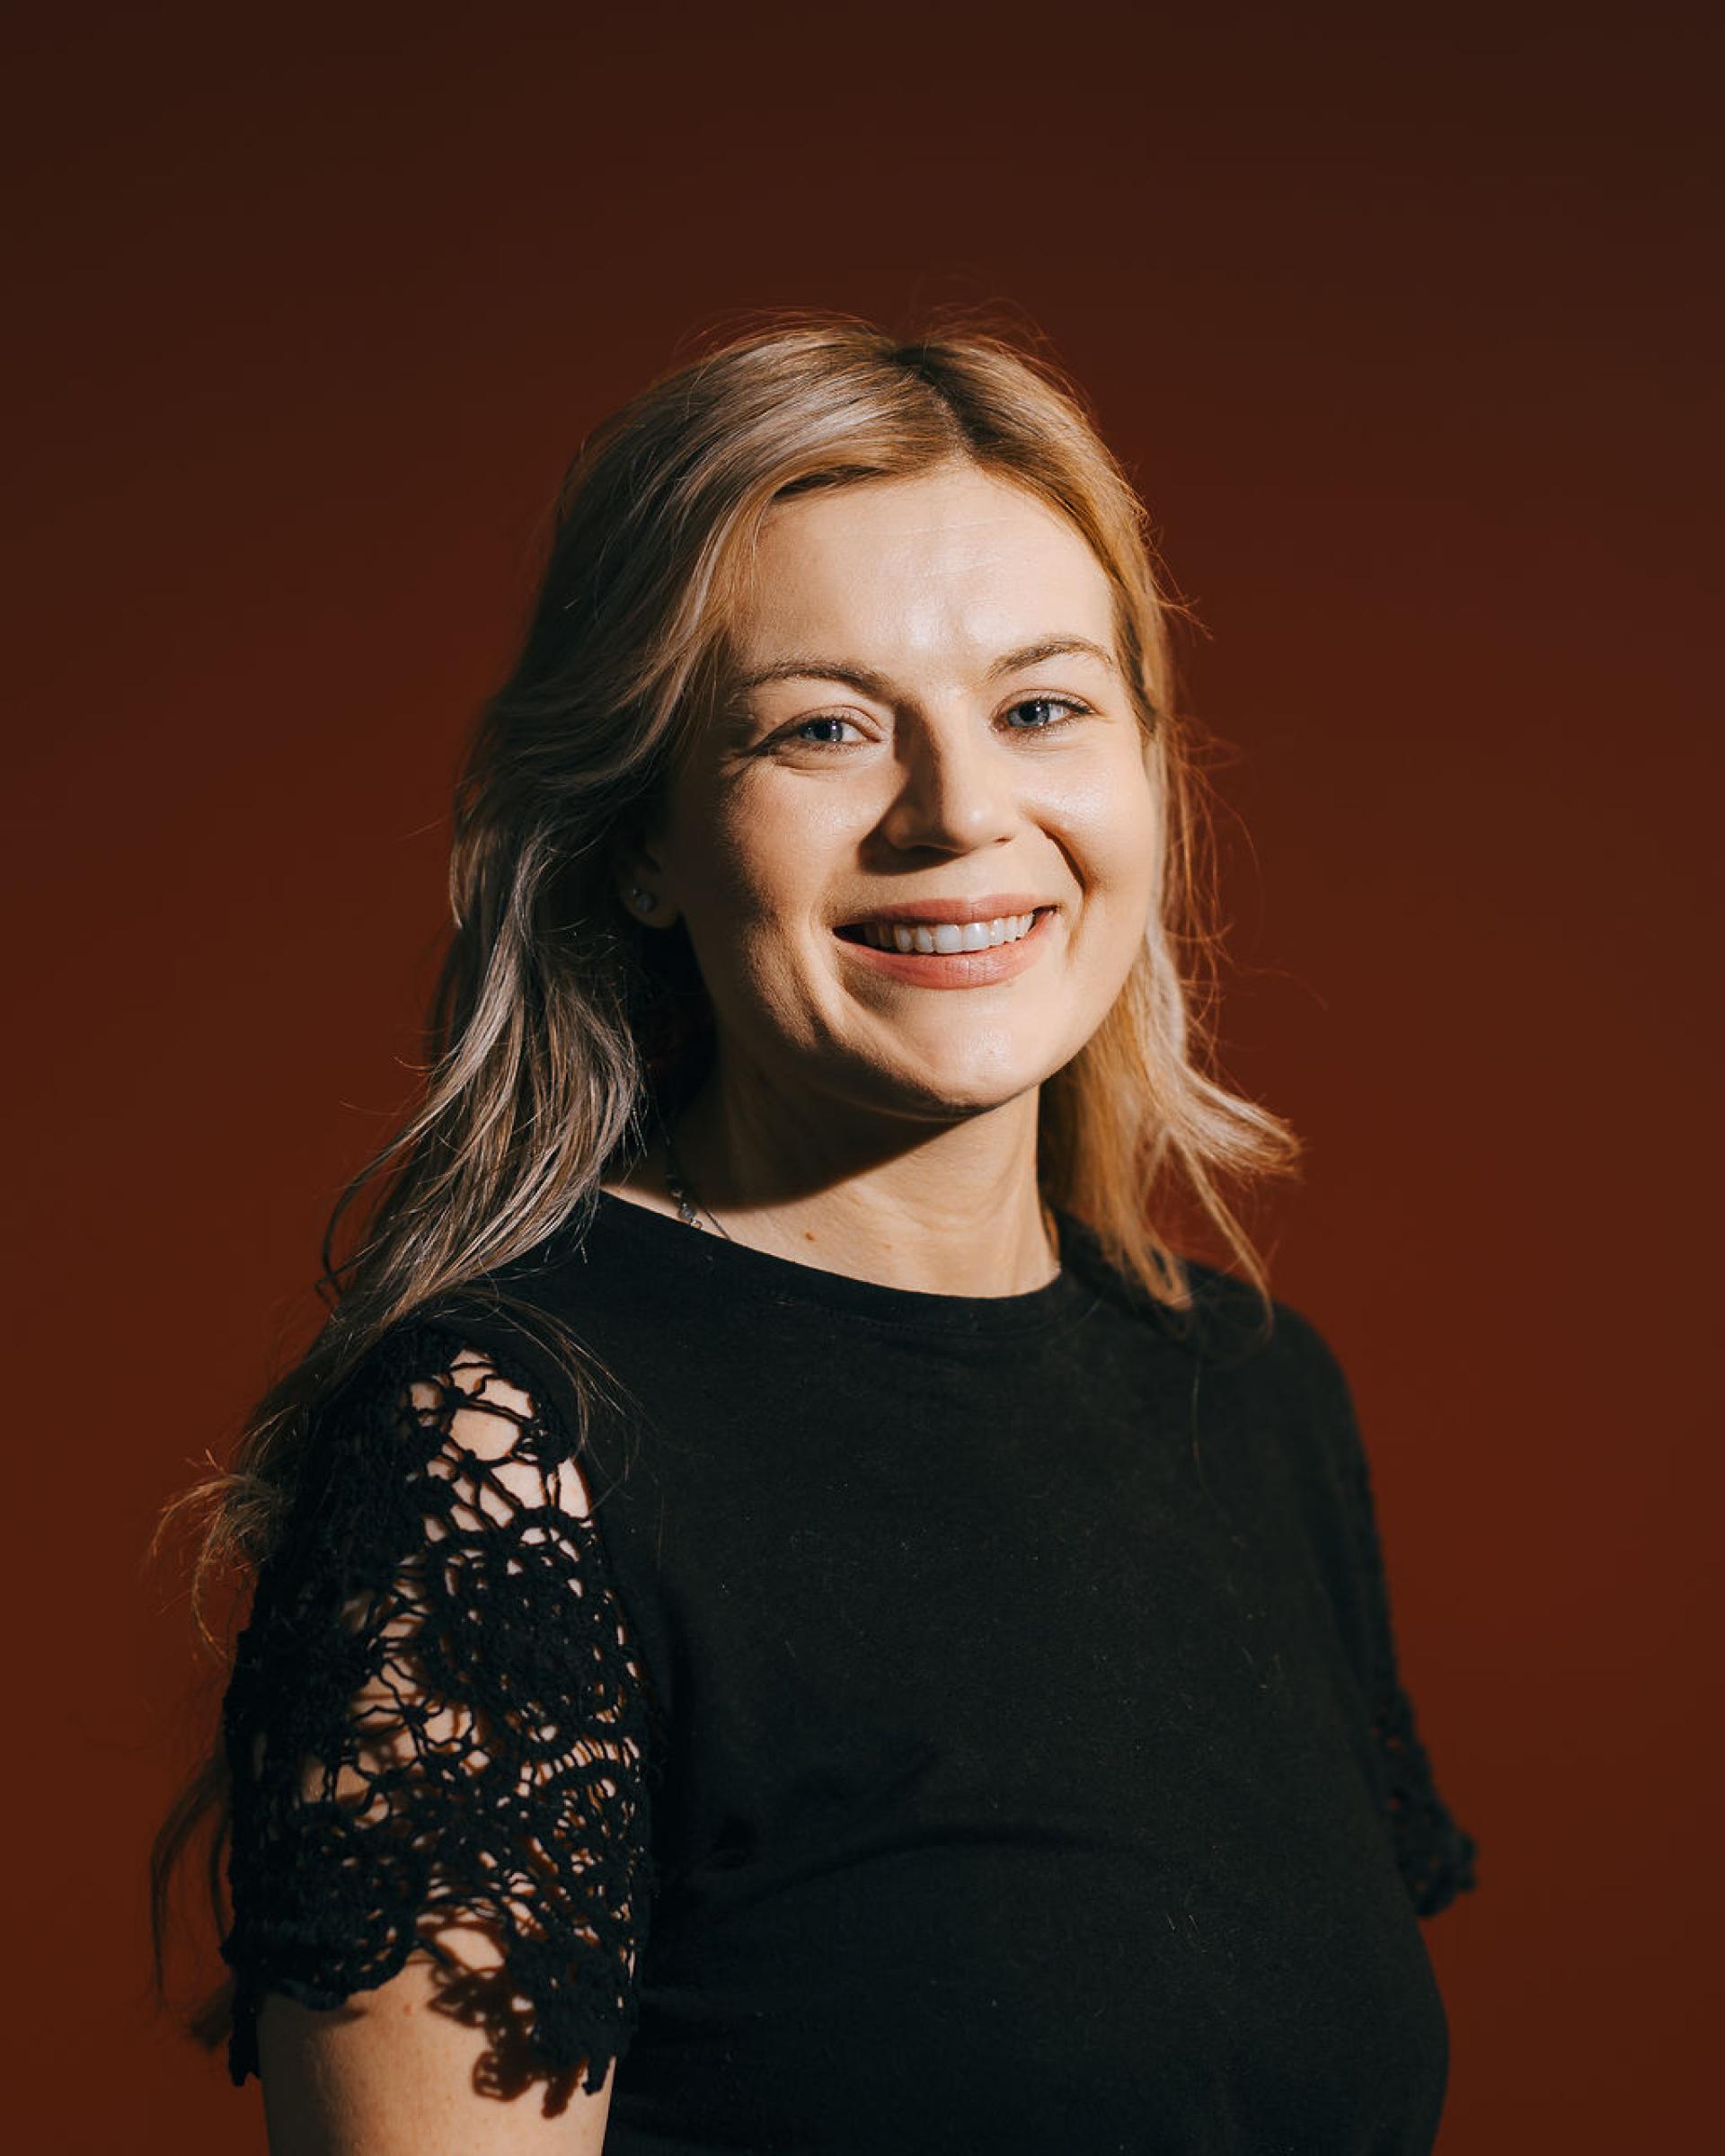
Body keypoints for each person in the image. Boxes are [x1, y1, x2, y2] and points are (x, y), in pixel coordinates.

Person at [152, 313, 1479, 2154]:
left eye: (1041, 707)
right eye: (821, 730)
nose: (958, 813)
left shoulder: (1251, 1397)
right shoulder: (502, 1457)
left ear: (1152, 769)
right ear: (641, 838)